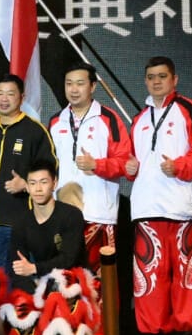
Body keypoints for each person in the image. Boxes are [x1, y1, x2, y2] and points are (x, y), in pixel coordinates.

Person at [126, 56, 192, 335]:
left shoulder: (189, 110)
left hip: (182, 206)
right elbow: (132, 160)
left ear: (174, 80)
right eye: (151, 77)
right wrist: (129, 167)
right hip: (146, 207)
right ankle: (155, 333)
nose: (156, 81)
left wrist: (179, 166)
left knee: (187, 273)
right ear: (145, 81)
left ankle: (187, 332)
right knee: (150, 274)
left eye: (162, 76)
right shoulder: (139, 119)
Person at [48, 62, 132, 272]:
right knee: (66, 278)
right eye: (69, 84)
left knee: (100, 279)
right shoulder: (56, 121)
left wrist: (97, 165)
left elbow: (125, 162)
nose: (73, 89)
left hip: (98, 213)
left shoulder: (109, 119)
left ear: (93, 86)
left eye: (80, 83)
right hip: (63, 214)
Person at [0, 74, 56, 270]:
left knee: (20, 282)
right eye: (0, 93)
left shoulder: (35, 131)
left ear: (22, 97)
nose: (4, 99)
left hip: (21, 223)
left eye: (10, 94)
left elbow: (51, 171)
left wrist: (26, 185)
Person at [8, 160, 86, 293]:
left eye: (43, 182)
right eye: (32, 183)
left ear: (54, 183)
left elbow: (68, 259)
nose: (38, 189)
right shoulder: (21, 222)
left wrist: (35, 268)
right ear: (27, 186)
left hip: (74, 284)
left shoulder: (71, 215)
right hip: (41, 286)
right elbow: (18, 268)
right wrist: (36, 295)